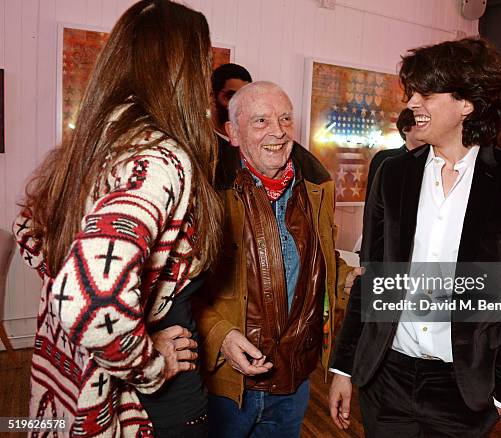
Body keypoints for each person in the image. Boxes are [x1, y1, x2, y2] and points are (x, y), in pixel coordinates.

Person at [12, 1, 222, 436]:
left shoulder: (97, 144)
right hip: (154, 407)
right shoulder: (160, 158)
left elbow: (29, 231)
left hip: (77, 381)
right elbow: (88, 296)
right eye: (203, 63)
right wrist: (149, 362)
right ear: (183, 71)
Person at [329, 37, 501, 437]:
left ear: (467, 102)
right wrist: (344, 367)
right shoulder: (393, 175)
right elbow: (371, 276)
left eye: (425, 93)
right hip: (386, 378)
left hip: (464, 391)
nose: (412, 103)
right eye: (411, 92)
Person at [193, 81, 350, 438]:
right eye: (261, 121)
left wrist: (347, 279)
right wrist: (221, 336)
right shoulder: (210, 194)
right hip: (227, 390)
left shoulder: (317, 188)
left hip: (294, 386)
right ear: (233, 132)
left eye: (284, 119)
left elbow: (323, 262)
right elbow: (177, 291)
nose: (278, 132)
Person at [365, 108, 425, 198]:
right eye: (421, 124)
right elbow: (372, 203)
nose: (426, 129)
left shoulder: (434, 159)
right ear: (405, 129)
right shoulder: (383, 158)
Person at [211, 63, 253, 147]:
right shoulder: (200, 144)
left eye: (245, 97)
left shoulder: (252, 143)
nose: (239, 104)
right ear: (213, 97)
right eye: (231, 97)